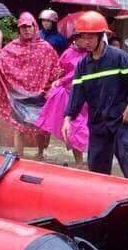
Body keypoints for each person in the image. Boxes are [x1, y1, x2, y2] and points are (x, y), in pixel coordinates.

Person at [63, 11, 128, 178]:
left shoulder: (120, 57)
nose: (86, 42)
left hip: (121, 120)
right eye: (83, 37)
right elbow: (76, 95)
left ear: (101, 36)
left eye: (90, 37)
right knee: (97, 170)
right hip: (98, 123)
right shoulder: (83, 66)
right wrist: (67, 118)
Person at [0, 12, 61, 158]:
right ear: (19, 29)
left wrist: (57, 79)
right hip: (19, 95)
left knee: (41, 127)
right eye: (23, 27)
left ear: (34, 27)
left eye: (29, 26)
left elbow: (55, 67)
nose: (26, 30)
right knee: (19, 127)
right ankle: (18, 156)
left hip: (41, 94)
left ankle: (41, 153)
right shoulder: (12, 47)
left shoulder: (45, 47)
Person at [36, 34, 89, 167]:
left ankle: (80, 163)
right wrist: (58, 76)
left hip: (84, 96)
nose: (87, 41)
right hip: (65, 94)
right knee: (45, 123)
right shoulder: (67, 53)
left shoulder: (91, 54)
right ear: (76, 38)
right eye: (84, 38)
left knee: (78, 129)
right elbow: (60, 70)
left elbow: (79, 72)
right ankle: (40, 152)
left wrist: (61, 79)